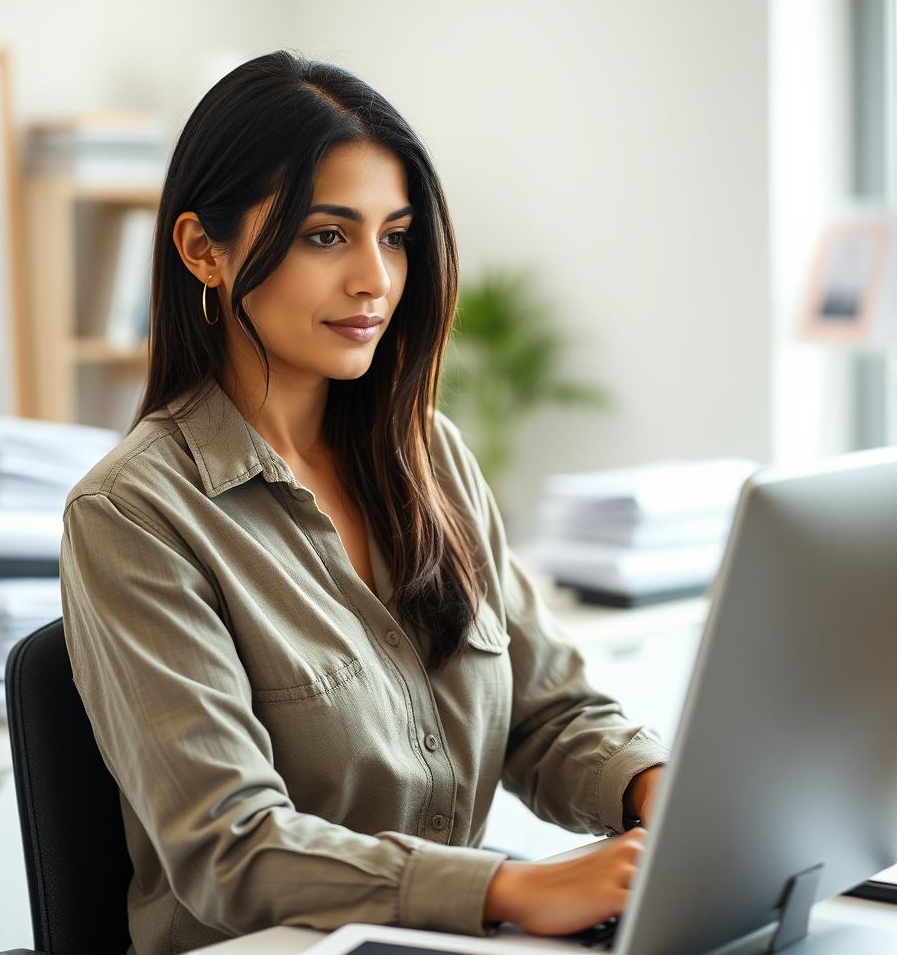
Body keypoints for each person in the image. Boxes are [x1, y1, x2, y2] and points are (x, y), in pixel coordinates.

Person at [59, 49, 670, 955]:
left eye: (395, 235)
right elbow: (232, 848)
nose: (375, 280)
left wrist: (663, 792)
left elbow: (548, 713)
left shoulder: (433, 459)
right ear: (202, 250)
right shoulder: (134, 514)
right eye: (325, 235)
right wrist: (509, 888)